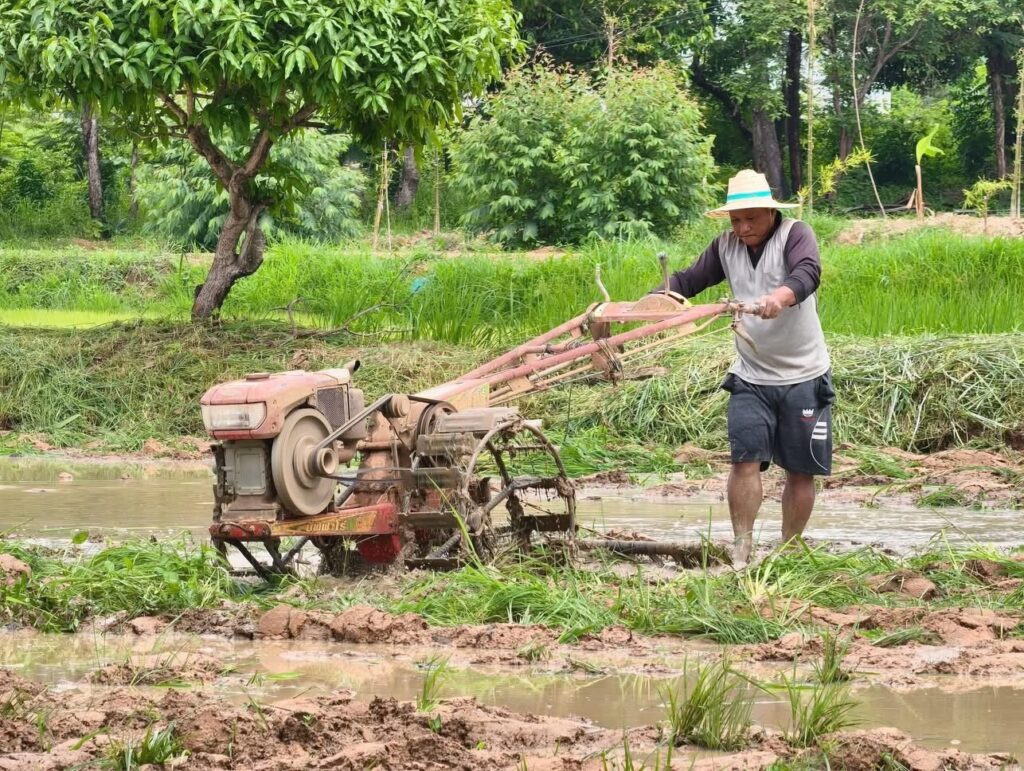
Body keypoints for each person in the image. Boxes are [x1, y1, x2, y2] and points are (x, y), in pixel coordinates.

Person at [654, 169, 833, 566]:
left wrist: (781, 296)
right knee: (744, 460)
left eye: (751, 218)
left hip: (803, 373)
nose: (743, 227)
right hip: (751, 374)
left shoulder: (795, 234)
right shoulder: (726, 247)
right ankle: (742, 546)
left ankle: (787, 550)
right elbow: (687, 281)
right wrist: (649, 305)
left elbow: (808, 272)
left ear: (770, 213)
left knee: (800, 471)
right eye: (736, 220)